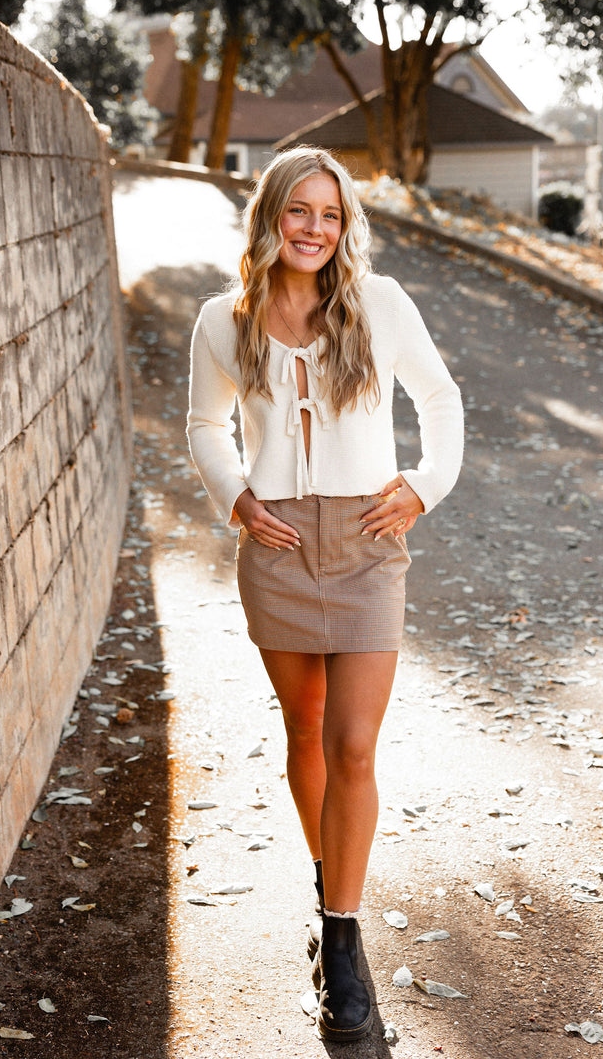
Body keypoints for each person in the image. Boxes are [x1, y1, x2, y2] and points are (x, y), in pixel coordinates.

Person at [187, 147, 463, 1042]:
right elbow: (203, 423)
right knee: (303, 728)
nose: (314, 228)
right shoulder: (224, 320)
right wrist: (235, 496)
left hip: (367, 541)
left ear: (346, 226)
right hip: (277, 545)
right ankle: (327, 880)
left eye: (331, 214)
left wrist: (424, 483)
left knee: (352, 743)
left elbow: (441, 396)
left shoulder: (378, 304)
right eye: (298, 211)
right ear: (270, 217)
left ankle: (340, 941)